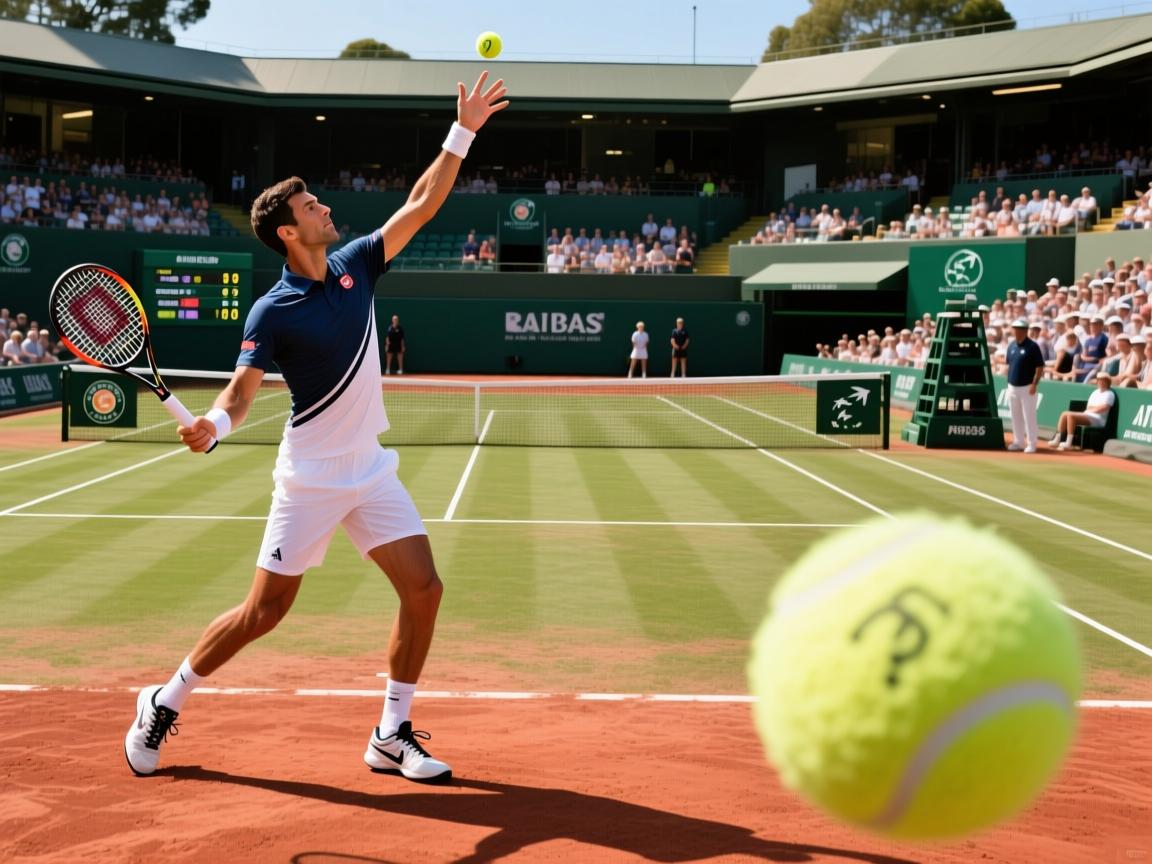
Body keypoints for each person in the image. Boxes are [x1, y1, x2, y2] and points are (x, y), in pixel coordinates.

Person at [123, 71, 509, 783]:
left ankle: (391, 734)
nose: (325, 207)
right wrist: (213, 421)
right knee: (262, 613)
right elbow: (241, 393)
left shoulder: (357, 262)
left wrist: (465, 131)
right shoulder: (272, 310)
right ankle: (165, 696)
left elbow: (422, 202)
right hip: (309, 476)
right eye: (311, 204)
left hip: (368, 467)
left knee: (424, 590)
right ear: (287, 230)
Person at [1005, 317, 1045, 453]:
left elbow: (1039, 367)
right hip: (1012, 386)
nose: (1016, 331)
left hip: (1027, 387)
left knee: (1029, 416)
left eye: (1019, 329)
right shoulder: (1011, 346)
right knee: (1015, 415)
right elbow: (1009, 364)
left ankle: (1032, 443)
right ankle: (1018, 441)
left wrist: (1034, 383)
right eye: (1015, 329)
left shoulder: (1032, 346)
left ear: (1025, 331)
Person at [1048, 372, 1116, 451]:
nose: (1099, 382)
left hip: (1098, 419)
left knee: (1071, 415)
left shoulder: (1110, 394)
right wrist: (1093, 409)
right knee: (1064, 414)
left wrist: (1092, 409)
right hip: (1089, 415)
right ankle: (1058, 438)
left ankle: (1069, 442)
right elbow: (1089, 406)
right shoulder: (1095, 392)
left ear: (1107, 382)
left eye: (1102, 380)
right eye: (1099, 380)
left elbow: (1104, 408)